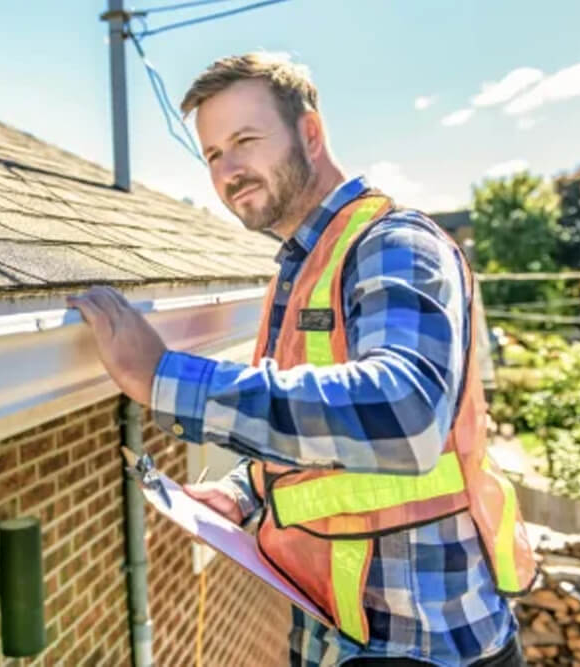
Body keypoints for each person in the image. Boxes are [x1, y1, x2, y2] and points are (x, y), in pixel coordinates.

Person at [68, 53, 535, 666]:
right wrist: (244, 490)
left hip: (428, 645)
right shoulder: (300, 269)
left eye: (245, 140)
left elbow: (406, 414)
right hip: (340, 636)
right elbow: (324, 436)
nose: (228, 170)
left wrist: (163, 380)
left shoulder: (392, 244)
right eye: (212, 155)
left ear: (309, 133)